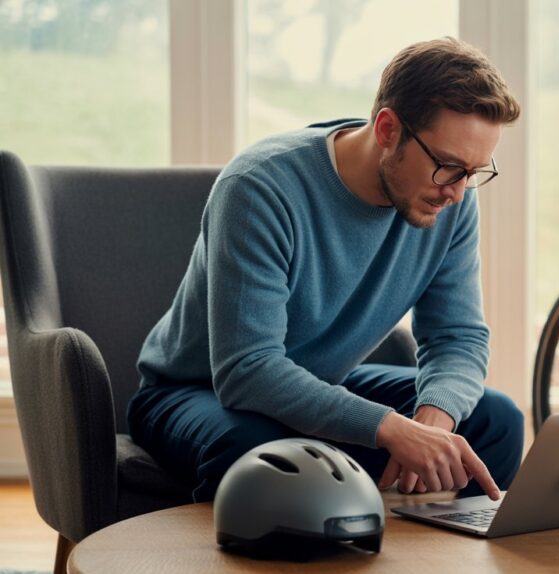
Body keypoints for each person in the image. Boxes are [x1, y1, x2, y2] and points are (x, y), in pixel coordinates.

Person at [126, 37, 524, 503]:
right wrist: (388, 428)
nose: (457, 192)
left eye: (475, 172)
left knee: (495, 421)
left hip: (322, 384)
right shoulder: (259, 189)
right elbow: (247, 370)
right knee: (258, 453)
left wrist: (430, 423)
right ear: (387, 129)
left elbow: (458, 337)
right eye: (448, 166)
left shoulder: (451, 200)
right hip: (198, 392)